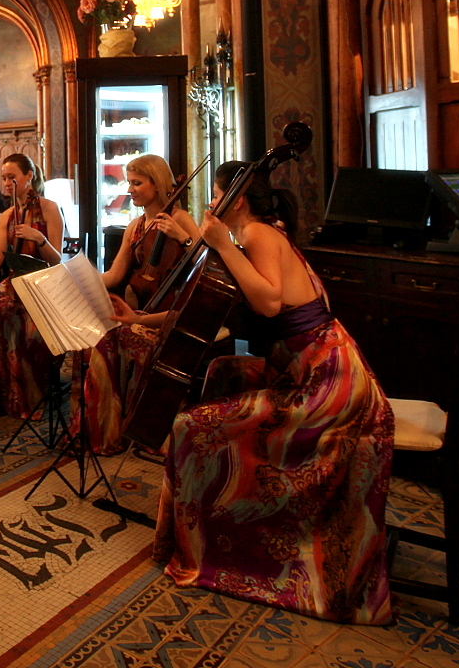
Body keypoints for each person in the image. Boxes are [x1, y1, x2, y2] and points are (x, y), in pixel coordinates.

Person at [111, 161, 394, 625]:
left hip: (326, 383)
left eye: (216, 193)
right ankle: (242, 526)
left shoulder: (258, 233)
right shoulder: (252, 236)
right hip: (305, 369)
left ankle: (221, 546)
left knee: (190, 427)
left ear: (236, 199)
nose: (210, 202)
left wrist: (221, 243)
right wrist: (139, 319)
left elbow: (269, 302)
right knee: (223, 371)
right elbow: (202, 307)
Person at [70, 154, 200, 454]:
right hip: (140, 310)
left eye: (137, 183)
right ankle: (103, 428)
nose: (130, 189)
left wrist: (183, 238)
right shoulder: (135, 227)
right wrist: (79, 279)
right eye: (129, 182)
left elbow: (204, 264)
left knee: (118, 340)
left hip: (172, 313)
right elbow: (115, 275)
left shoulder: (181, 219)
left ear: (158, 184)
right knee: (94, 339)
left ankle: (138, 427)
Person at [0, 153, 64, 418]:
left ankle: (27, 391)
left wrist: (39, 239)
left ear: (29, 176)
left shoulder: (50, 209)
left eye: (12, 177)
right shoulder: (7, 215)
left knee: (18, 315)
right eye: (4, 178)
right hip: (14, 282)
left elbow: (57, 259)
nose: (6, 183)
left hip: (44, 284)